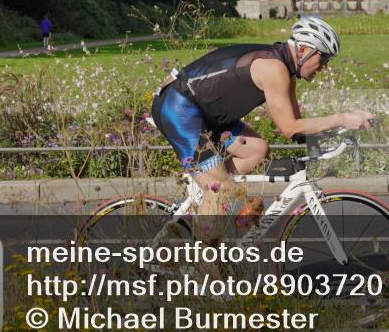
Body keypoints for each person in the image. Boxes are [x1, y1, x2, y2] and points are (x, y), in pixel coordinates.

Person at [150, 17, 375, 231]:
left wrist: (339, 130)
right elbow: (289, 127)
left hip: (206, 113)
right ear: (305, 51)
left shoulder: (285, 70)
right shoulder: (273, 69)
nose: (325, 66)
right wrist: (343, 118)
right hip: (180, 108)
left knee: (257, 150)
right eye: (323, 58)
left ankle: (212, 189)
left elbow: (297, 130)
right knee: (219, 190)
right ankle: (205, 264)